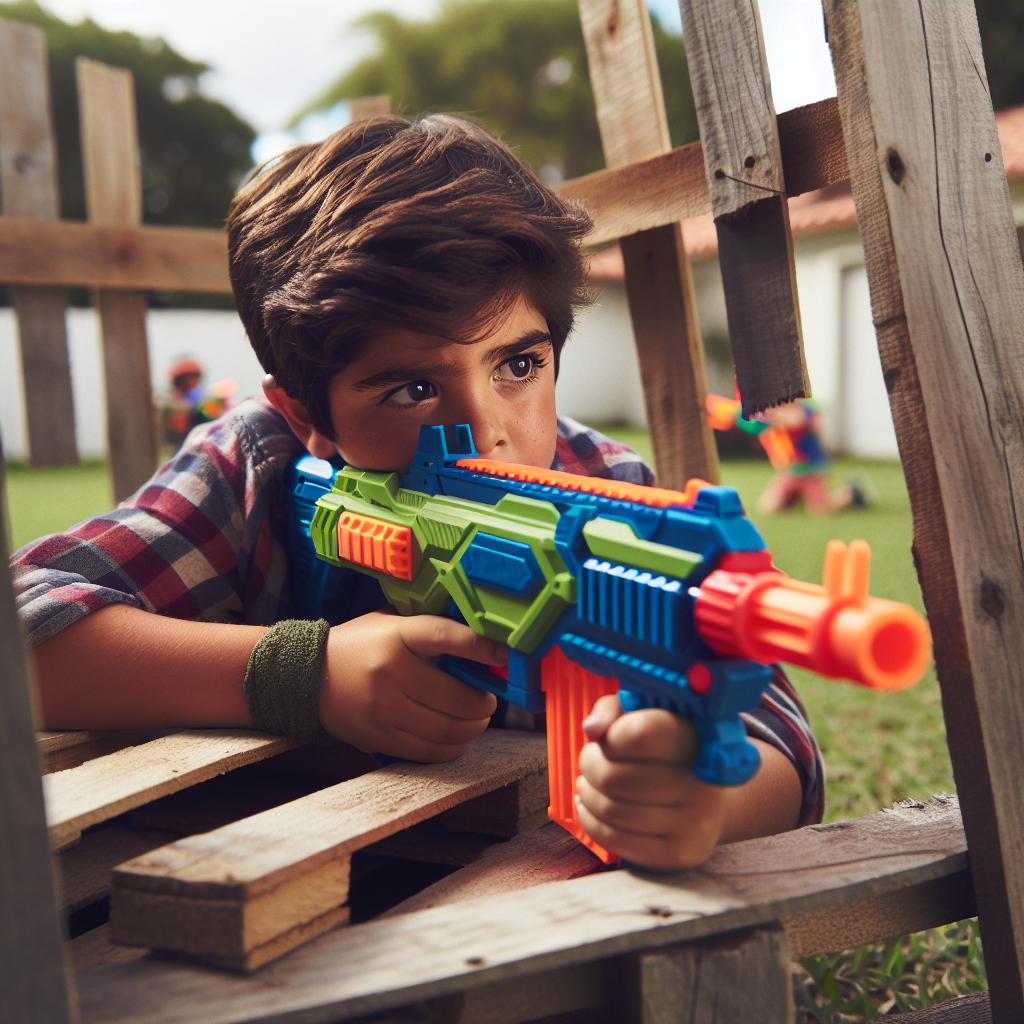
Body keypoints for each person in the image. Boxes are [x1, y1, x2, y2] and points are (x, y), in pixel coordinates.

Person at [11, 115, 822, 869]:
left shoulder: (604, 494)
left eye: (519, 365)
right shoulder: (259, 467)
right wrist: (305, 675)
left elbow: (774, 731)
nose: (486, 429)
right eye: (410, 390)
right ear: (305, 413)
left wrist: (704, 805)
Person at [708, 394, 869, 515]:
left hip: (813, 469)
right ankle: (797, 497)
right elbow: (755, 426)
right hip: (793, 471)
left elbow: (795, 421)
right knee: (768, 508)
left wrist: (766, 416)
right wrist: (736, 416)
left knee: (821, 511)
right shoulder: (774, 411)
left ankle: (851, 493)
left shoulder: (805, 409)